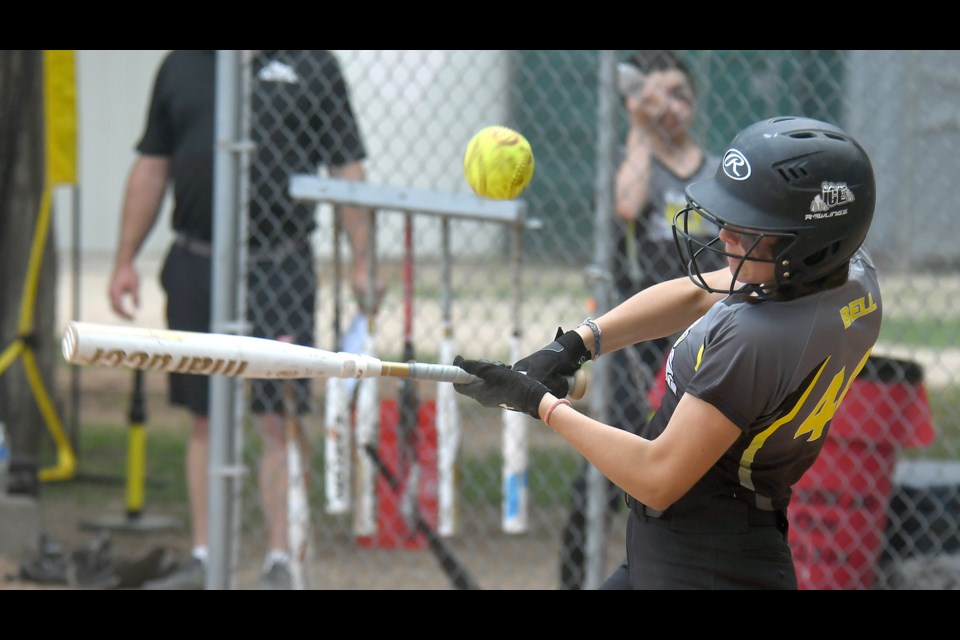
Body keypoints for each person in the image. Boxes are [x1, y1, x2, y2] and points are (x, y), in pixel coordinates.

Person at [454, 115, 881, 589]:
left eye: (749, 227)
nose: (725, 237)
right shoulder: (848, 277)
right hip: (692, 547)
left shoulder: (757, 339)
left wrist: (540, 403)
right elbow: (698, 295)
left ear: (811, 246)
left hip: (708, 562)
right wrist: (576, 344)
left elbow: (658, 475)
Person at [108, 50, 378, 590]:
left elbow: (347, 169)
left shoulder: (313, 64)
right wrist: (124, 259)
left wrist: (362, 262)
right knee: (204, 417)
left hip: (278, 264)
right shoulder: (182, 64)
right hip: (197, 261)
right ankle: (206, 557)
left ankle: (282, 559)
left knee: (279, 418)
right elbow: (152, 164)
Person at [559, 50, 721, 589]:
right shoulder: (639, 161)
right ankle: (576, 576)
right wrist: (638, 127)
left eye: (680, 95)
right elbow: (627, 206)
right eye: (658, 97)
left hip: (705, 337)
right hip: (642, 343)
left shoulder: (717, 172)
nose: (671, 107)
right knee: (606, 470)